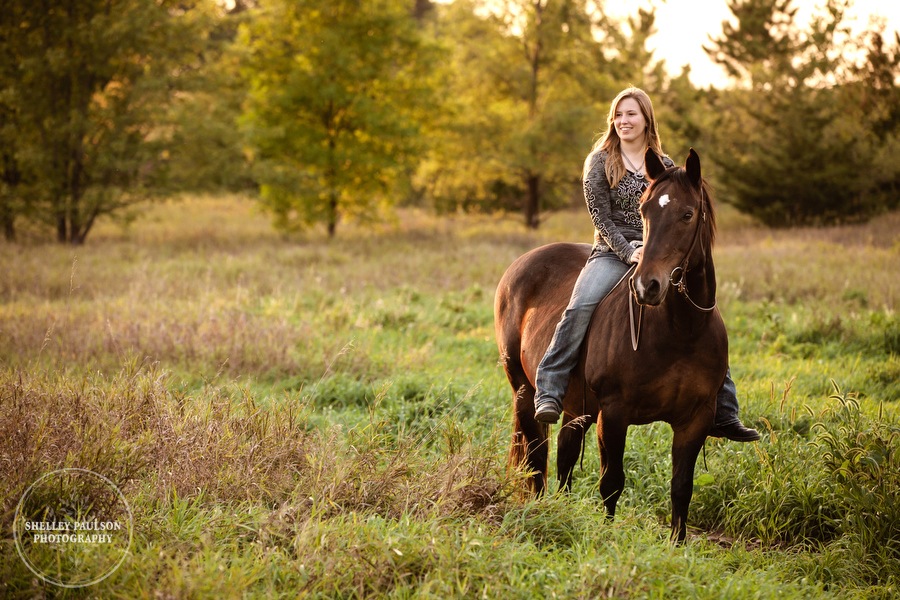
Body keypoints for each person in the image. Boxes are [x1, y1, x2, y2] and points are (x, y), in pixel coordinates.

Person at [532, 87, 759, 442]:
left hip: (658, 253)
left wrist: (658, 252)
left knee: (701, 315)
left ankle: (724, 409)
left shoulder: (664, 165)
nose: (624, 121)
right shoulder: (600, 161)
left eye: (631, 114)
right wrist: (629, 252)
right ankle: (550, 387)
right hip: (610, 251)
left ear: (646, 119)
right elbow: (600, 217)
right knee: (579, 306)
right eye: (618, 115)